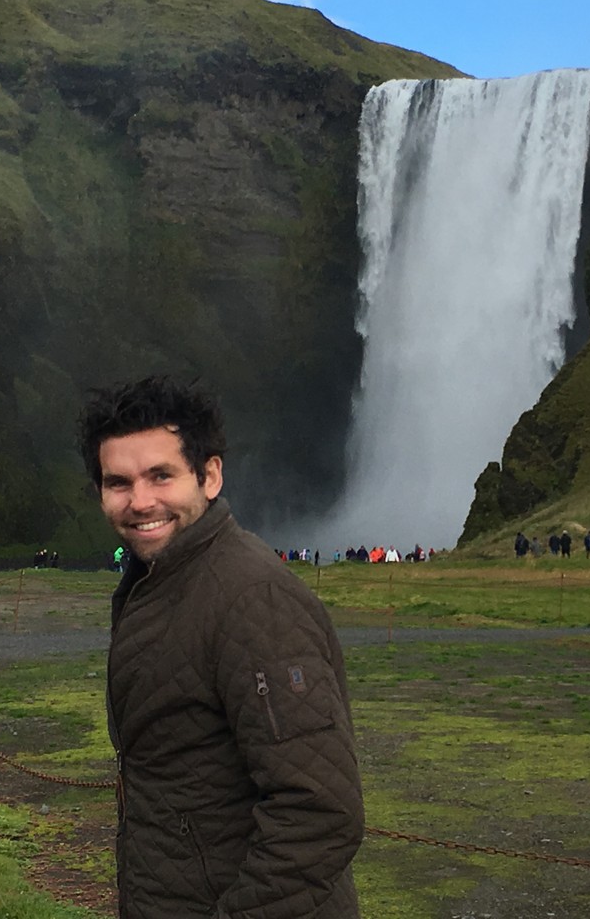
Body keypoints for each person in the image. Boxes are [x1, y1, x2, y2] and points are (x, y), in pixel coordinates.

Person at [79, 376, 363, 919]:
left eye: (161, 475)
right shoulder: (159, 582)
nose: (140, 501)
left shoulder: (254, 600)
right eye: (119, 482)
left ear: (209, 476)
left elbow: (321, 812)